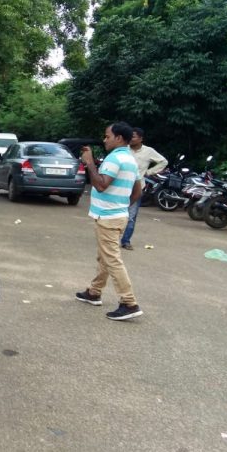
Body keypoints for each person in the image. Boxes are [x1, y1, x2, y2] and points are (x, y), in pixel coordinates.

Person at [76, 122, 143, 321]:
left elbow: (101, 185)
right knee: (105, 256)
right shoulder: (130, 159)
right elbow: (138, 190)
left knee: (112, 259)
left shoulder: (115, 158)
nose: (104, 140)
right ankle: (94, 292)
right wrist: (122, 205)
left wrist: (89, 163)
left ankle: (129, 303)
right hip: (118, 215)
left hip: (108, 217)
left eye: (107, 136)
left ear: (119, 138)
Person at [120, 127, 167, 250]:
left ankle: (126, 241)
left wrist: (149, 172)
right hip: (121, 187)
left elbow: (163, 161)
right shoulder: (124, 149)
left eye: (134, 136)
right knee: (117, 213)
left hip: (137, 188)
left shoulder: (149, 151)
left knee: (131, 216)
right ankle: (113, 239)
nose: (131, 139)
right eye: (130, 136)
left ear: (141, 138)